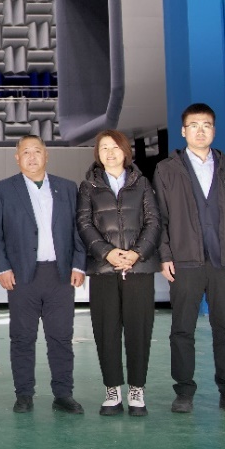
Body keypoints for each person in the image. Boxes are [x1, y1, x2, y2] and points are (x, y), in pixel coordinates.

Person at [154, 103, 225, 415]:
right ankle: (184, 391)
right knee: (182, 329)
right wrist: (165, 255)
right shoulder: (167, 170)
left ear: (214, 130)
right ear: (183, 131)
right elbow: (160, 217)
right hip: (185, 261)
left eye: (206, 125)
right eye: (194, 125)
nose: (200, 131)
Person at [0, 135, 86, 415]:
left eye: (37, 151)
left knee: (61, 338)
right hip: (21, 276)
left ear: (46, 155)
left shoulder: (68, 188)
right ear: (17, 158)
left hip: (60, 275)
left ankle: (63, 394)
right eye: (26, 152)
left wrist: (79, 265)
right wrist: (2, 268)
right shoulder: (3, 189)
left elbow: (79, 230)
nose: (32, 157)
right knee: (22, 338)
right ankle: (24, 395)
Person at [75, 130, 160, 416]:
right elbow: (84, 224)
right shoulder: (88, 186)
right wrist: (108, 253)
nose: (110, 153)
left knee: (139, 329)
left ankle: (137, 390)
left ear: (125, 151)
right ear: (97, 153)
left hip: (139, 268)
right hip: (104, 270)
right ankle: (112, 390)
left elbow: (153, 222)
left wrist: (136, 253)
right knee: (106, 330)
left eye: (115, 147)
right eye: (104, 148)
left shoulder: (142, 183)